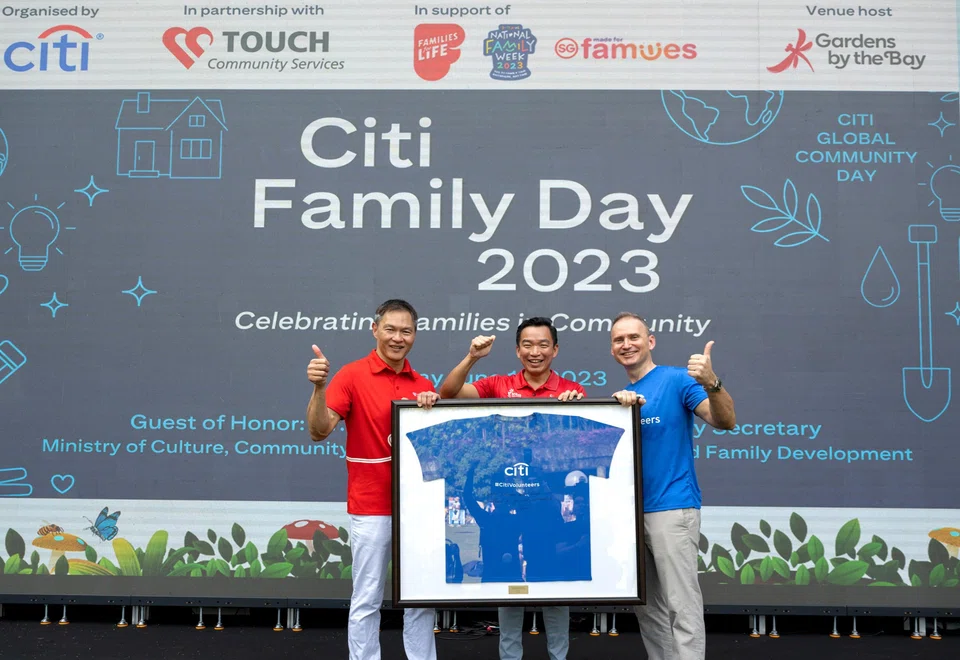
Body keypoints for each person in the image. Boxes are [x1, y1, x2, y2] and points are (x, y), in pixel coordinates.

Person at [438, 317, 584, 660]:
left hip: (545, 516)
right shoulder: (498, 385)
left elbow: (575, 440)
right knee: (510, 591)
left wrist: (576, 408)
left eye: (543, 344)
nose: (536, 352)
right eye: (528, 345)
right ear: (518, 350)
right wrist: (472, 357)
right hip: (509, 514)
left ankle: (558, 657)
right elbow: (448, 392)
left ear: (555, 349)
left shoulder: (571, 390)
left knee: (553, 592)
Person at [306, 299, 439, 660]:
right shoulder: (350, 375)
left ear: (415, 335)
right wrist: (319, 388)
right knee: (367, 597)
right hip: (371, 506)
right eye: (391, 329)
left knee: (421, 598)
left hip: (417, 509)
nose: (398, 337)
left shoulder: (423, 384)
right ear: (375, 329)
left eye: (406, 331)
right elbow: (319, 431)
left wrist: (433, 409)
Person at [608, 312, 736, 660]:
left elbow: (724, 420)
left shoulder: (677, 380)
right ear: (612, 349)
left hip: (672, 509)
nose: (627, 344)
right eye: (619, 340)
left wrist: (712, 382)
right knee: (648, 610)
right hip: (634, 518)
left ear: (650, 342)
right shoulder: (623, 396)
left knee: (682, 604)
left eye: (634, 337)